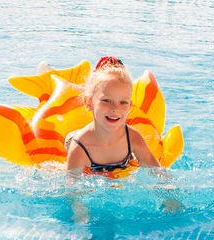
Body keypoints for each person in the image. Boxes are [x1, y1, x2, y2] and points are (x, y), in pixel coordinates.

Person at [62, 56, 183, 217]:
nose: (115, 109)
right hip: (84, 149)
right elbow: (73, 188)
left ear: (130, 105)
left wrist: (169, 196)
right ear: (89, 103)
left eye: (123, 102)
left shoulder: (132, 138)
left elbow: (156, 170)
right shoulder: (80, 147)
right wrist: (80, 211)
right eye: (106, 100)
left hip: (121, 159)